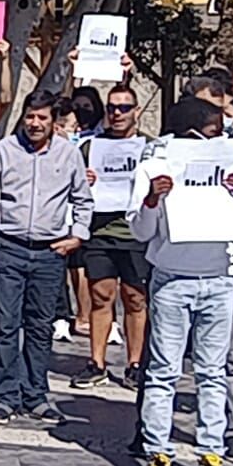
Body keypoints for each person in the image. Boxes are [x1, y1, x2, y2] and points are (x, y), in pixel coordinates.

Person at [128, 97, 233, 466]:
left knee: (212, 373)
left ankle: (210, 455)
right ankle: (157, 453)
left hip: (219, 278)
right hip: (172, 280)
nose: (221, 138)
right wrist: (152, 199)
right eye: (212, 131)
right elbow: (139, 229)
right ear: (187, 132)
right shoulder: (155, 165)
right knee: (165, 372)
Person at [0, 91, 93, 426]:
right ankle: (5, 395)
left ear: (52, 120)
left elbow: (83, 199)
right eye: (30, 116)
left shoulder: (68, 153)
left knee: (40, 326)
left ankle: (35, 394)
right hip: (9, 246)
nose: (35, 123)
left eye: (42, 118)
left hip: (49, 251)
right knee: (3, 325)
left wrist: (78, 235)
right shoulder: (3, 151)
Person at [72, 83, 150, 390]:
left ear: (136, 112)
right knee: (100, 296)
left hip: (137, 233)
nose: (117, 113)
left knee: (135, 299)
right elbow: (74, 186)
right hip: (100, 232)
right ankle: (97, 362)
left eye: (124, 108)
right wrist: (85, 180)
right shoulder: (90, 147)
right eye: (112, 108)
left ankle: (134, 364)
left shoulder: (150, 147)